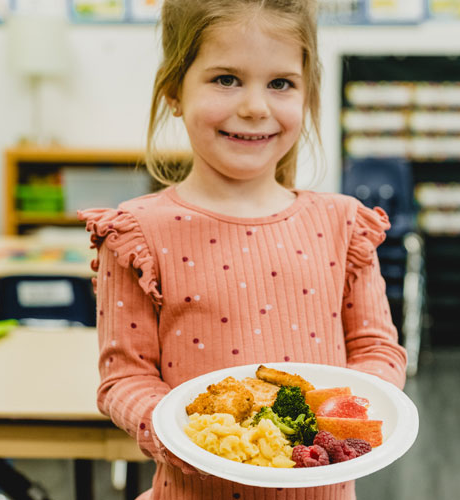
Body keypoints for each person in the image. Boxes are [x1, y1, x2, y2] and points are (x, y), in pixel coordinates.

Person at [78, 0, 407, 498]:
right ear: (173, 91)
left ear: (308, 95)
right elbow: (123, 378)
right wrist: (183, 438)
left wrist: (343, 411)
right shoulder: (136, 235)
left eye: (281, 83)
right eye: (226, 78)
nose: (256, 106)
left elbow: (376, 348)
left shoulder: (343, 225)